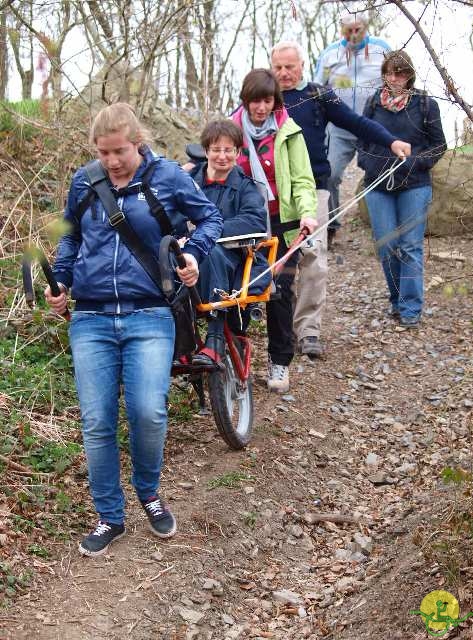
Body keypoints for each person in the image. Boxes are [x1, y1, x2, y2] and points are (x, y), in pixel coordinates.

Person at [45, 103, 223, 557]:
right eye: (103, 153)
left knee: (148, 411)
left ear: (138, 142)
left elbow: (209, 218)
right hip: (91, 317)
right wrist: (62, 278)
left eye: (119, 151)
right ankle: (110, 515)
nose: (111, 161)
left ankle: (149, 493)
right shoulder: (85, 180)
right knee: (97, 419)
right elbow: (70, 235)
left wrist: (193, 255)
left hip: (149, 314)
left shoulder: (167, 178)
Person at [270, 40, 411, 357]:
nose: (283, 73)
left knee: (312, 257)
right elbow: (232, 131)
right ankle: (279, 329)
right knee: (275, 259)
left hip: (314, 187)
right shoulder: (264, 96)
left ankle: (308, 331)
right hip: (271, 190)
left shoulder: (318, 95)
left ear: (302, 65)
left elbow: (355, 122)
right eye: (278, 67)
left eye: (289, 67)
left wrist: (391, 143)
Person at [231, 68, 319, 393]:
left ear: (274, 101)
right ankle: (234, 359)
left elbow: (302, 179)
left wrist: (308, 213)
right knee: (237, 290)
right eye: (255, 101)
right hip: (241, 223)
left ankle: (279, 361)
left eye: (267, 100)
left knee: (279, 292)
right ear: (245, 100)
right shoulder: (229, 131)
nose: (260, 108)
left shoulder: (288, 132)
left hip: (282, 226)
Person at [357, 51, 446, 328]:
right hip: (377, 184)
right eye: (390, 72)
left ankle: (410, 308)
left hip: (415, 184)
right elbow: (361, 143)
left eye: (400, 73)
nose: (394, 78)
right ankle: (396, 300)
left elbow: (438, 144)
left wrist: (414, 164)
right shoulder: (373, 104)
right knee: (387, 246)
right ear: (384, 73)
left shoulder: (426, 104)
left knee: (410, 246)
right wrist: (374, 165)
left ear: (409, 76)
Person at [187, 118, 271, 365]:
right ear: (206, 151)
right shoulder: (188, 183)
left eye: (228, 150)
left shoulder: (246, 188)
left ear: (237, 152)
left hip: (232, 258)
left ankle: (215, 340)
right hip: (189, 255)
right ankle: (181, 341)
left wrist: (208, 232)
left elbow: (255, 220)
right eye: (216, 150)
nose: (222, 156)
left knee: (211, 251)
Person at [314, 10, 391, 246]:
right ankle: (331, 224)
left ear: (366, 28)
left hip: (374, 125)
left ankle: (385, 230)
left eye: (359, 29)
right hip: (340, 127)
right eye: (349, 30)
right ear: (341, 30)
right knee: (330, 174)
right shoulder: (330, 55)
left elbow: (396, 79)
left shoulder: (381, 49)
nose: (354, 35)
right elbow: (317, 88)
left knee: (380, 175)